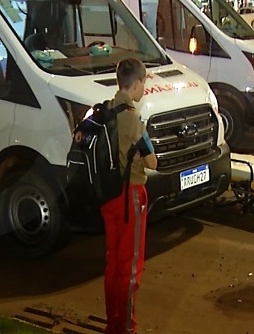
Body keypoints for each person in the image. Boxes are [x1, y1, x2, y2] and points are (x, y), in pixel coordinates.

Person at [102, 58, 157, 334]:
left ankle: (112, 324)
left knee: (113, 263)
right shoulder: (133, 118)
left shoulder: (106, 109)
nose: (144, 88)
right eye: (143, 83)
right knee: (130, 268)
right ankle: (126, 328)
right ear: (136, 84)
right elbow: (152, 162)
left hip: (108, 196)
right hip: (130, 198)